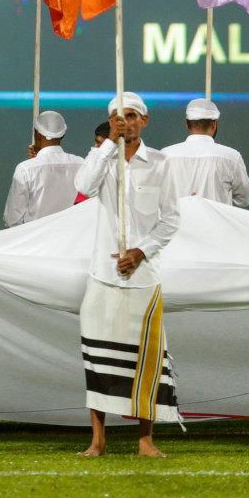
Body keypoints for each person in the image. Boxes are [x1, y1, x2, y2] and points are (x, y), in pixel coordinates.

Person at [72, 93, 182, 458]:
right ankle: (98, 440)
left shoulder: (162, 163)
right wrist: (106, 147)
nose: (126, 122)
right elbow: (85, 187)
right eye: (118, 117)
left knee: (145, 359)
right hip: (103, 274)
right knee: (98, 358)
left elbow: (170, 220)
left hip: (144, 276)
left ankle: (145, 441)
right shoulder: (101, 159)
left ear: (144, 121)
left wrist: (140, 251)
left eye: (131, 116)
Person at [162, 98, 249, 207]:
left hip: (178, 223)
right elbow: (246, 198)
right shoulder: (231, 157)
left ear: (186, 123)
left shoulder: (165, 155)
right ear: (214, 124)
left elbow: (155, 198)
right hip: (216, 224)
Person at [3, 110, 84, 227]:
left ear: (37, 134)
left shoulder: (26, 169)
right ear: (63, 134)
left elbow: (12, 219)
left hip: (36, 241)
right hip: (70, 239)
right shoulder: (80, 164)